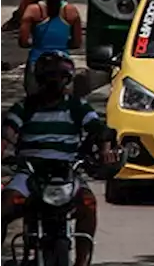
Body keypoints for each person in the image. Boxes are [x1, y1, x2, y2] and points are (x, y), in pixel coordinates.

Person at [0, 52, 116, 266]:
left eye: (60, 77)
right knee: (4, 205)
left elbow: (98, 129)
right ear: (40, 79)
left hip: (68, 172)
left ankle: (82, 261)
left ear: (67, 79)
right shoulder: (25, 107)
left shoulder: (77, 106)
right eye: (49, 77)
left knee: (88, 205)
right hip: (30, 172)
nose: (54, 82)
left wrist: (105, 150)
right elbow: (7, 132)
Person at [19, 0, 83, 95]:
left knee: (33, 105)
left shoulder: (33, 11)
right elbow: (77, 43)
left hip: (36, 62)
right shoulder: (71, 11)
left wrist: (36, 43)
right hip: (64, 64)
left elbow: (23, 41)